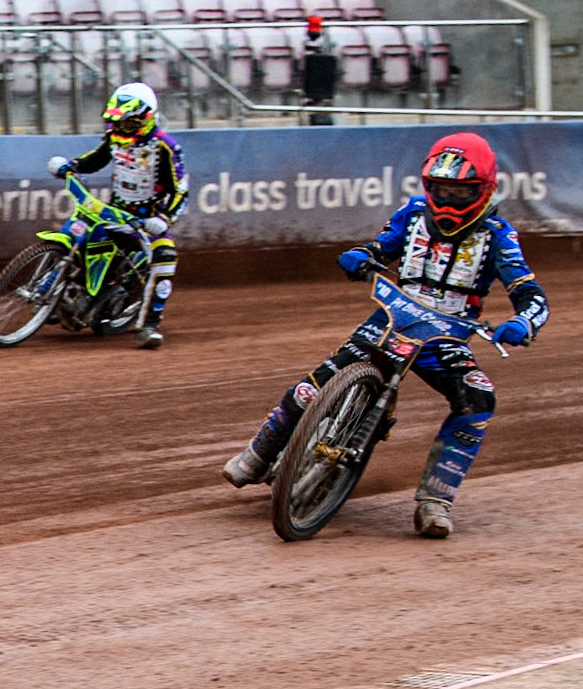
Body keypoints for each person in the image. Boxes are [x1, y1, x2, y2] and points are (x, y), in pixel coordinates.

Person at [222, 133, 548, 538]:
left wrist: (524, 322)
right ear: (427, 186)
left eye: (460, 193)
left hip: (445, 338)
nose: (448, 201)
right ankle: (258, 454)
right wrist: (362, 255)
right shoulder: (412, 214)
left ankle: (436, 499)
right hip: (391, 320)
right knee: (313, 386)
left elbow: (531, 294)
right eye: (441, 190)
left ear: (484, 191)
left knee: (479, 400)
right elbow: (380, 247)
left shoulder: (499, 237)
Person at [46, 82, 188, 349]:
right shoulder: (114, 137)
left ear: (144, 119)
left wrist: (165, 220)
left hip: (147, 221)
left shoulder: (166, 147)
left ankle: (148, 326)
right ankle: (56, 296)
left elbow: (182, 192)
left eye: (128, 124)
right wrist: (71, 165)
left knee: (166, 256)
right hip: (115, 212)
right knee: (81, 236)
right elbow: (97, 158)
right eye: (117, 123)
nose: (121, 129)